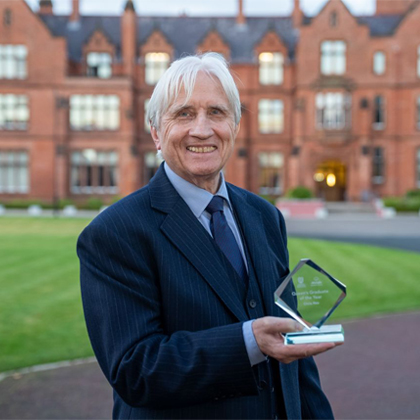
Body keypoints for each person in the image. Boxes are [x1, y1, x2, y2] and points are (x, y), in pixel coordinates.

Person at [77, 53, 339, 420]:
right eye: (184, 114)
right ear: (156, 131)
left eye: (216, 112)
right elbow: (135, 370)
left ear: (234, 125)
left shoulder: (265, 216)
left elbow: (295, 352)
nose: (202, 129)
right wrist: (248, 342)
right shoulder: (115, 233)